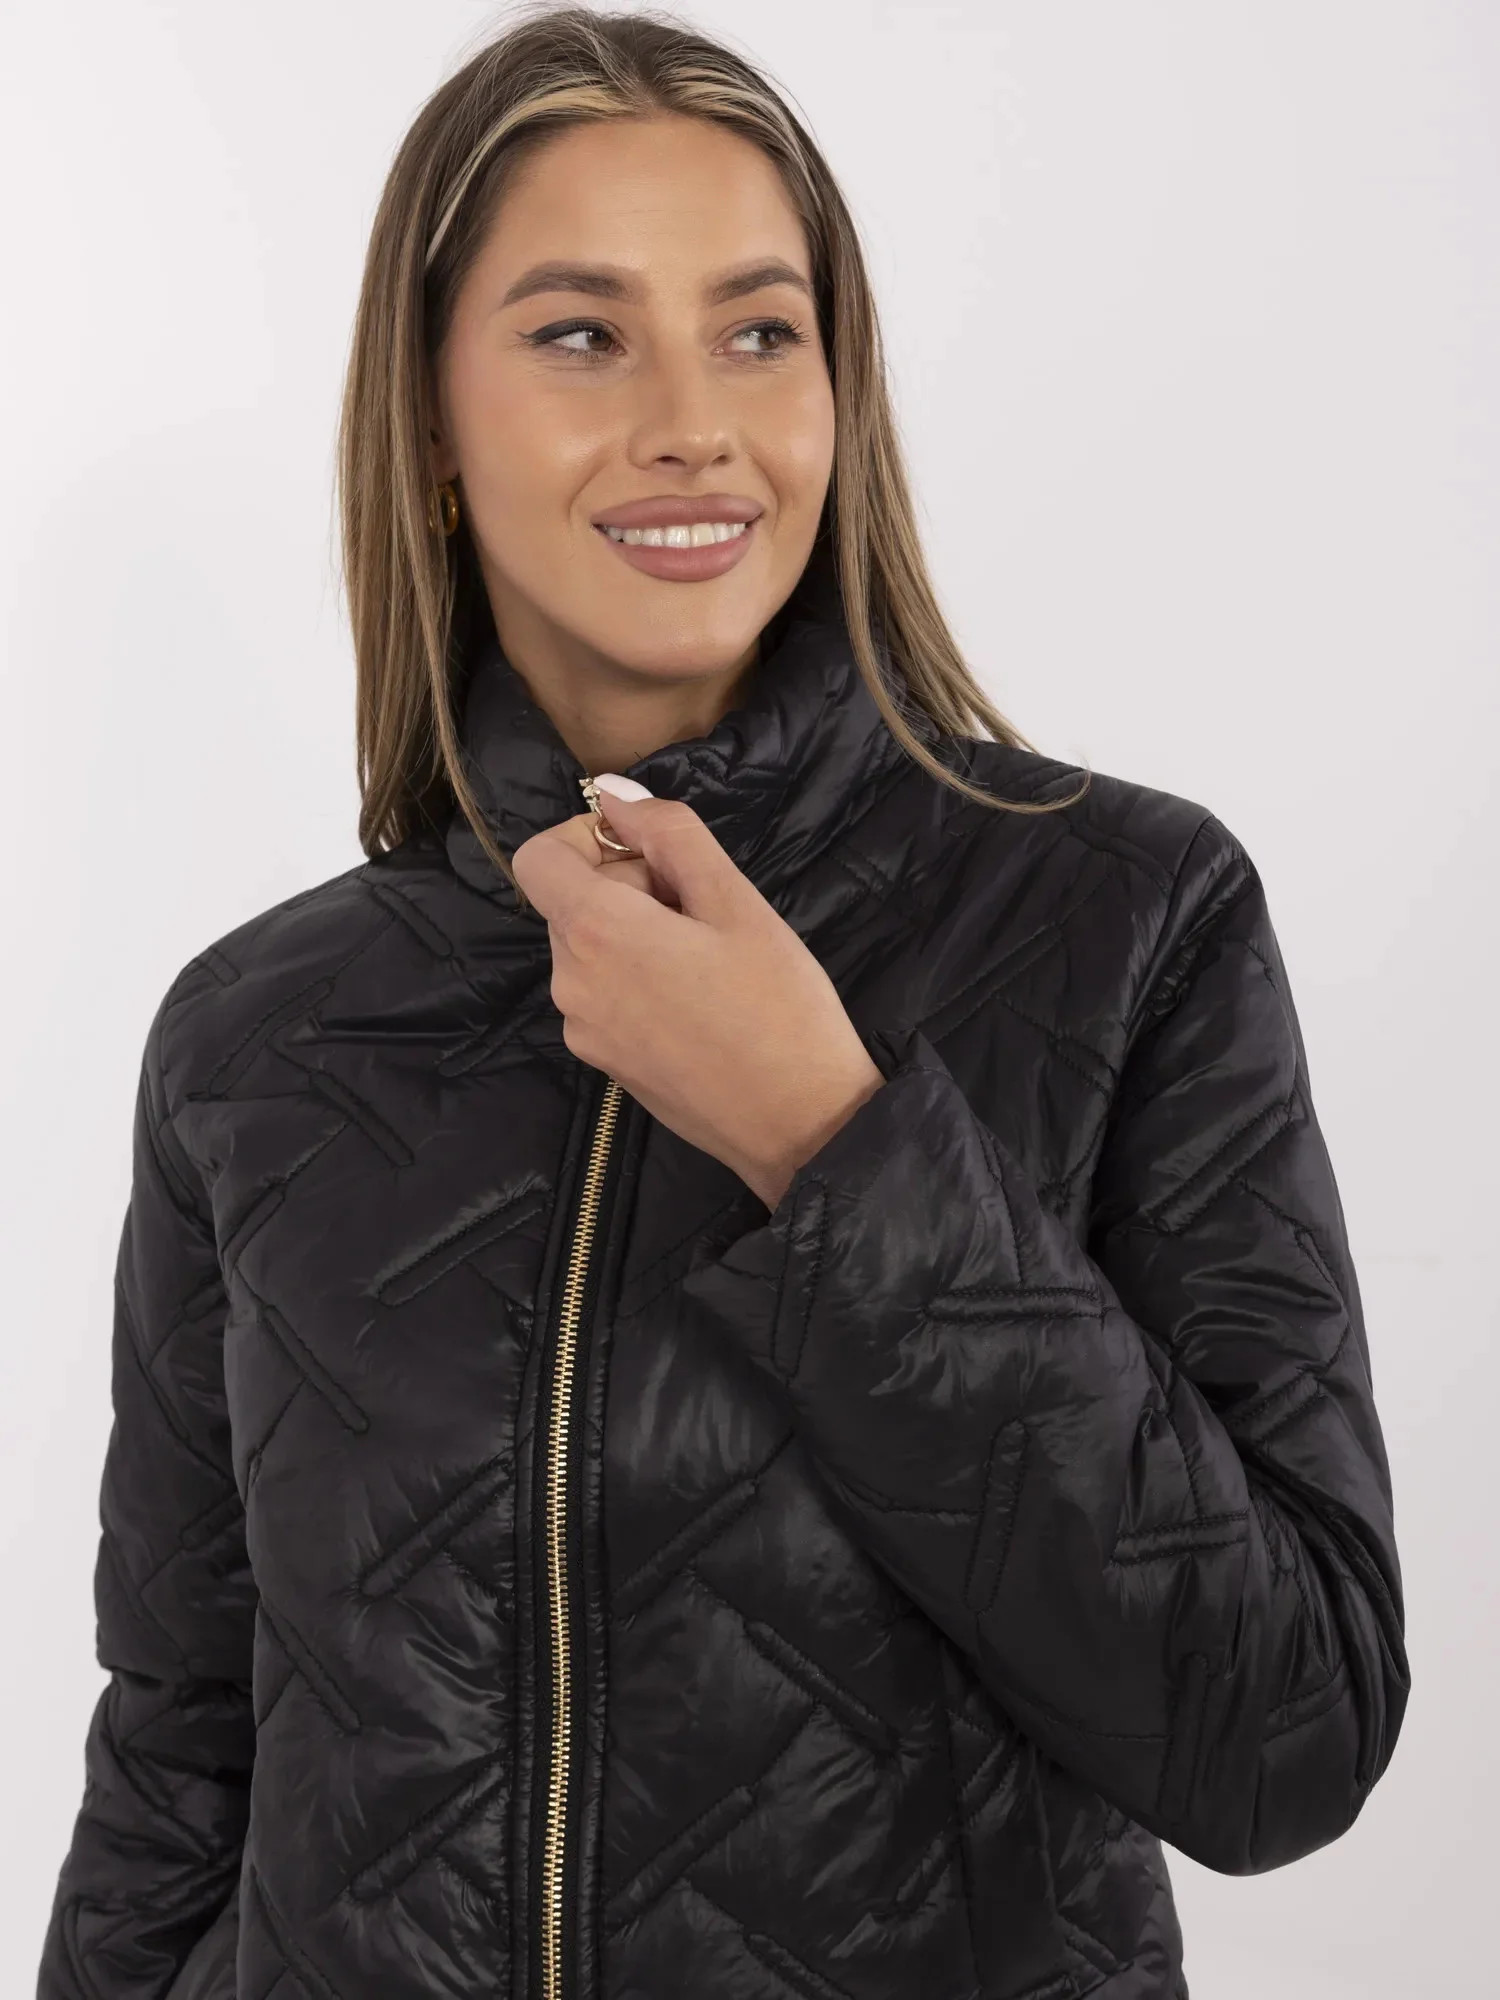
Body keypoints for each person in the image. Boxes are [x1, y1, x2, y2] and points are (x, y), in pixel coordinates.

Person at [36, 7, 1409, 1998]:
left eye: (761, 330)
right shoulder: (257, 1029)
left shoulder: (1123, 918)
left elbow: (1286, 1734)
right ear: (432, 420)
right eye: (581, 333)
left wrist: (832, 1146)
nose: (692, 419)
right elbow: (181, 1756)